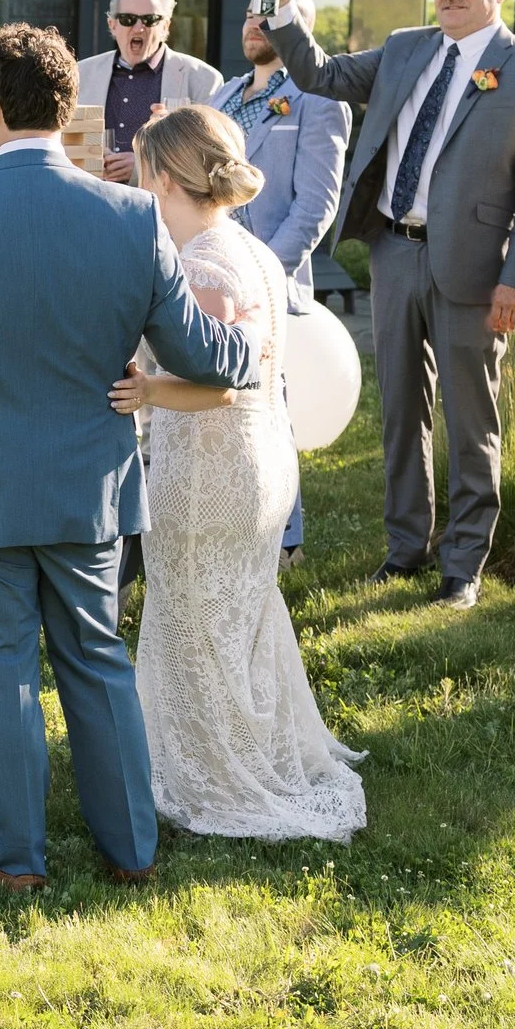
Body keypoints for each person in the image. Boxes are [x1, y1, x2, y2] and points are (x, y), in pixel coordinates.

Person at [0, 24, 258, 891]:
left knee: (2, 671)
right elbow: (201, 352)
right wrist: (245, 350)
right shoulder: (131, 216)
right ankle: (133, 852)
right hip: (89, 484)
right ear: (68, 106)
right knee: (97, 658)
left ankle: (18, 861)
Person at [268, 0, 515, 609]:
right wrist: (286, 14)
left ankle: (463, 565)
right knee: (401, 411)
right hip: (395, 251)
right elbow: (322, 76)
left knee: (469, 417)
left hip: (475, 266)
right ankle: (405, 549)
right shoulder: (406, 48)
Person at [107, 105, 367, 841]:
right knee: (237, 614)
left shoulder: (201, 264)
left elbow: (222, 378)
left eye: (141, 169)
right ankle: (239, 750)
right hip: (260, 460)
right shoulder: (248, 247)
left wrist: (149, 390)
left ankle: (216, 774)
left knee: (198, 620)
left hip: (213, 466)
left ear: (163, 176)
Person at [210, 0, 352, 564]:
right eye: (248, 14)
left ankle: (284, 539)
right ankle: (222, 520)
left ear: (297, 30)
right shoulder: (220, 97)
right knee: (216, 407)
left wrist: (263, 272)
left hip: (268, 282)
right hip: (207, 276)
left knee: (271, 410)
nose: (253, 23)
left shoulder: (320, 101)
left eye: (268, 15)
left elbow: (316, 203)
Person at [0, 0, 222, 180]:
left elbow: (208, 159)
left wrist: (144, 165)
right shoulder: (79, 72)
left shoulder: (201, 79)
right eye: (128, 19)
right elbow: (54, 136)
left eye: (150, 20)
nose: (138, 28)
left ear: (166, 26)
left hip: (165, 214)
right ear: (112, 25)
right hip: (90, 198)